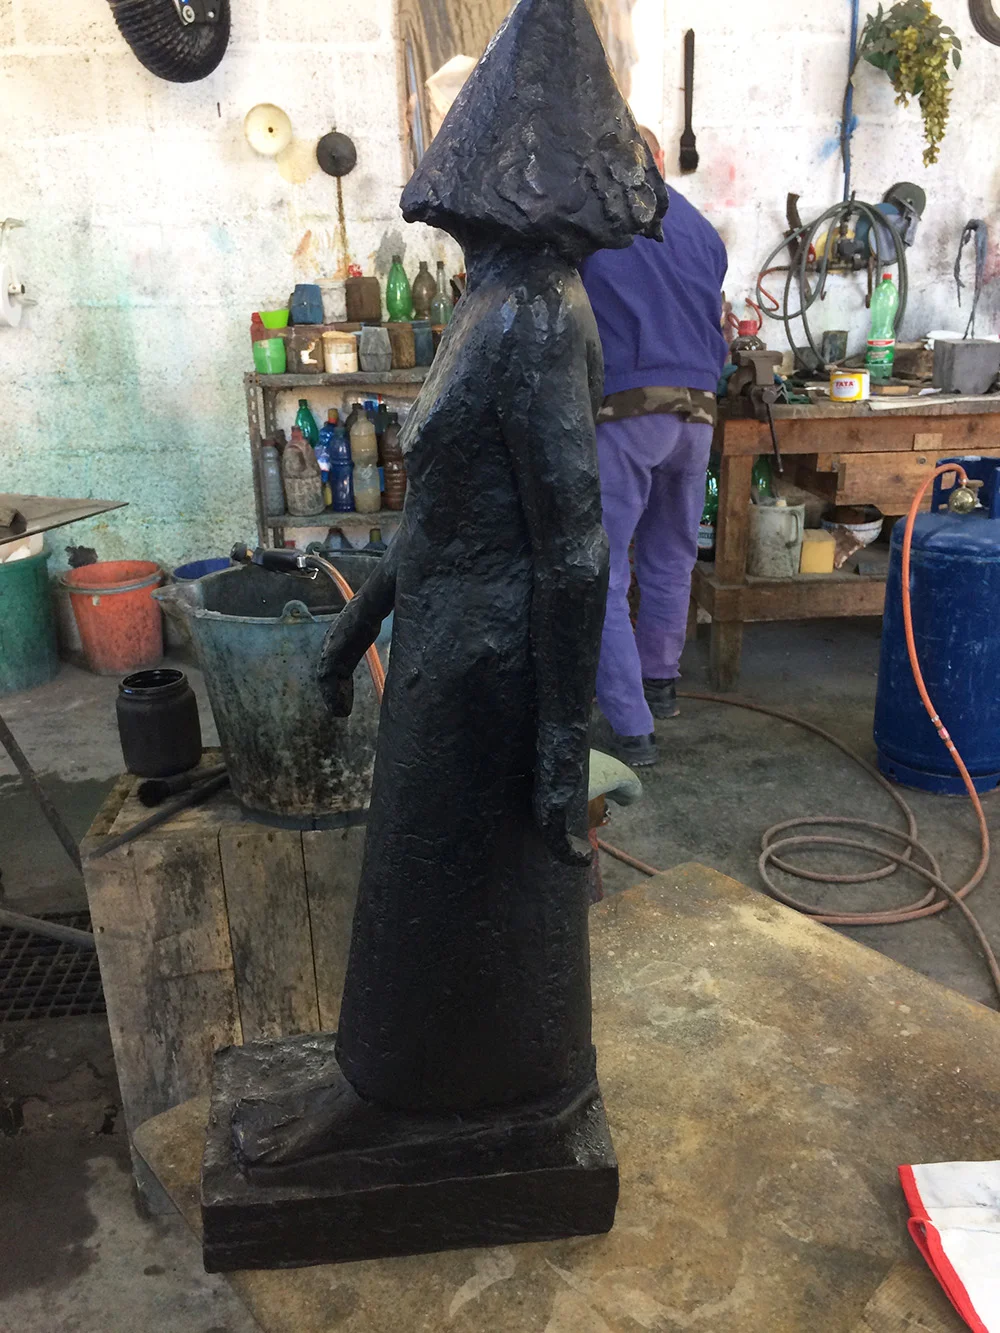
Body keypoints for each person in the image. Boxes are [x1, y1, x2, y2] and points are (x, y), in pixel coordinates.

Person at [580, 127, 728, 766]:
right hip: (698, 414)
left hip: (628, 411)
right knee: (671, 555)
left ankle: (631, 726)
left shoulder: (593, 218)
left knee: (606, 571)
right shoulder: (700, 228)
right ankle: (660, 682)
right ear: (658, 160)